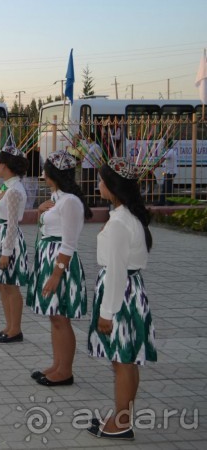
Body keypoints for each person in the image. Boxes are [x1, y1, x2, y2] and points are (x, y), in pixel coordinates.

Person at [87, 158, 157, 440]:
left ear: (114, 187)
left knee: (122, 361)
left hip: (121, 294)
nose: (98, 185)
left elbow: (116, 270)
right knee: (125, 360)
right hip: (129, 290)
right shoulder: (127, 216)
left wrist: (107, 312)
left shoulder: (119, 223)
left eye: (102, 181)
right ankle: (120, 416)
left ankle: (122, 422)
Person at [26, 150, 92, 386]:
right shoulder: (58, 199)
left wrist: (56, 274)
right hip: (49, 258)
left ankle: (65, 371)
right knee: (54, 317)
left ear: (52, 173)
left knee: (61, 317)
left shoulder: (70, 202)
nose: (42, 174)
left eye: (45, 170)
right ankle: (57, 365)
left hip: (60, 262)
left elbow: (69, 241)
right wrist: (42, 211)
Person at [0, 146, 30, 343]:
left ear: (5, 166)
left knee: (10, 285)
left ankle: (15, 329)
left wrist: (6, 252)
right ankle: (9, 325)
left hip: (8, 238)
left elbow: (12, 223)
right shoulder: (9, 188)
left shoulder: (14, 190)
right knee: (1, 283)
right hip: (2, 234)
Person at [81, 135, 102, 206]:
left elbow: (98, 158)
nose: (86, 139)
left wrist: (99, 169)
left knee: (89, 186)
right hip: (85, 168)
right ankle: (86, 202)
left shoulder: (96, 146)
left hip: (91, 168)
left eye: (87, 138)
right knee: (85, 186)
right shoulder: (90, 146)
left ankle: (91, 202)